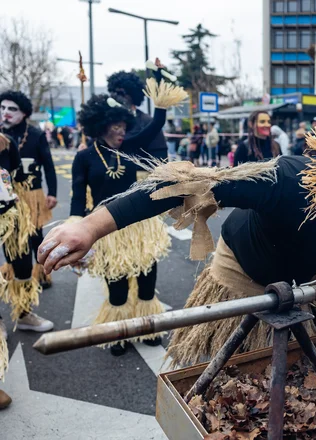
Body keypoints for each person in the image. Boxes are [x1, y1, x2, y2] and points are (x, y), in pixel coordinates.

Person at [38, 109, 316, 367]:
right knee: (234, 380)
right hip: (241, 276)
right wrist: (90, 226)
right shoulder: (286, 179)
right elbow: (181, 185)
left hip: (305, 286)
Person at [68, 72, 184, 356]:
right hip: (107, 229)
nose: (122, 132)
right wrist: (76, 230)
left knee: (146, 281)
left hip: (139, 224)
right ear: (102, 125)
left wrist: (159, 91)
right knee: (117, 287)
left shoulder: (131, 147)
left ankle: (147, 328)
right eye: (116, 127)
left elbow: (157, 123)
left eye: (124, 126)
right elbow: (76, 199)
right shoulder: (84, 158)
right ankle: (119, 332)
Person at [0, 90, 57, 332]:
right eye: (2, 108)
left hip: (19, 201)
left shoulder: (25, 137)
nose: (5, 113)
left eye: (11, 109)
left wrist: (51, 191)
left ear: (24, 113)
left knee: (27, 247)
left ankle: (24, 311)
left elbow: (45, 165)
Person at [0, 132, 30, 409]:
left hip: (7, 215)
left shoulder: (5, 142)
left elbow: (14, 176)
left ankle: (23, 313)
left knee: (22, 265)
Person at [107, 70, 168, 160]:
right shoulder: (108, 121)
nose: (116, 96)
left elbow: (160, 154)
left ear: (132, 95)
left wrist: (159, 79)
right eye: (113, 93)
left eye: (120, 93)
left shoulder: (146, 121)